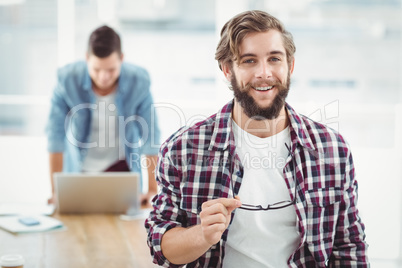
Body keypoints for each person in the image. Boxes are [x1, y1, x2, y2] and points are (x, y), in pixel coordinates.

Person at [145, 10, 369, 267]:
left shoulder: (332, 149)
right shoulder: (183, 150)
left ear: (290, 65)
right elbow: (160, 246)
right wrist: (202, 234)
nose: (264, 73)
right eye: (249, 61)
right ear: (228, 69)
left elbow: (349, 247)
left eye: (274, 59)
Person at [46, 25, 160, 207]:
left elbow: (150, 136)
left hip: (122, 171)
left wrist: (152, 190)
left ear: (122, 59)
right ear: (87, 58)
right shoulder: (67, 79)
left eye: (111, 70)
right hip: (79, 172)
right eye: (97, 69)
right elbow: (55, 137)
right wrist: (55, 192)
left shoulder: (139, 81)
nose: (104, 77)